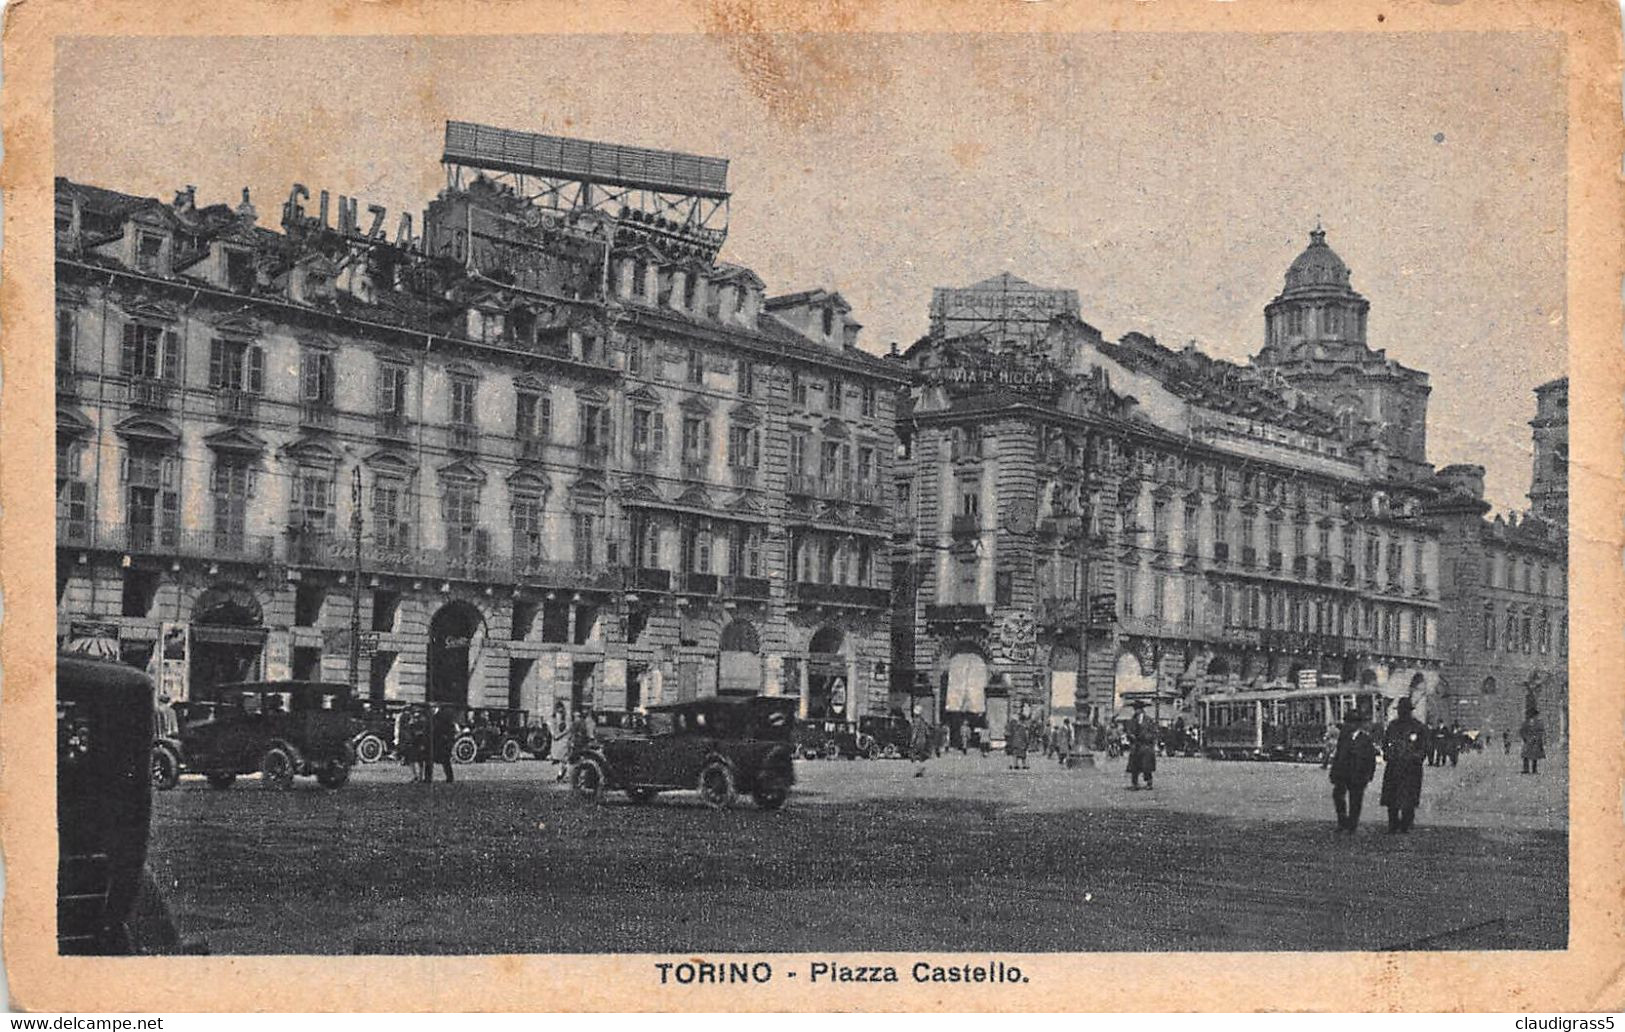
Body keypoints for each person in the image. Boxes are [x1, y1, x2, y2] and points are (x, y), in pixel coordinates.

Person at [1379, 698, 1427, 832]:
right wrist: (1388, 754)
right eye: (1400, 711)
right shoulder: (1392, 726)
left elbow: (1424, 747)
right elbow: (1386, 743)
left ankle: (1406, 823)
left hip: (1411, 768)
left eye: (1404, 711)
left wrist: (1416, 757)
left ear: (1409, 711)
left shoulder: (1418, 727)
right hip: (1394, 766)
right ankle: (1393, 824)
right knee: (1392, 798)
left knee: (1409, 798)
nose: (1402, 713)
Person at [1329, 707, 1377, 833]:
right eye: (1347, 722)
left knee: (1355, 800)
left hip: (1358, 775)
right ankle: (1342, 821)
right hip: (1343, 774)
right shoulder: (1343, 738)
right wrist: (1333, 773)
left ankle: (1352, 824)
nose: (1348, 725)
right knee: (1338, 797)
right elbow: (1338, 756)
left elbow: (1370, 759)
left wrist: (1369, 775)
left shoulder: (1365, 739)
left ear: (1357, 724)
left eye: (1351, 722)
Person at [1125, 702, 1158, 790]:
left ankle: (1149, 783)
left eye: (1138, 710)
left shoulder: (1148, 720)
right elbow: (1128, 731)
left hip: (1145, 746)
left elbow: (1154, 732)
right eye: (1135, 710)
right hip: (1135, 746)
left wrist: (1147, 737)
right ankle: (1134, 784)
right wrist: (1131, 735)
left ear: (1142, 710)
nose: (1137, 711)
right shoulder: (1132, 721)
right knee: (1134, 766)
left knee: (1146, 766)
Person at [424, 704, 457, 784]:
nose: (431, 709)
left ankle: (450, 778)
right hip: (432, 742)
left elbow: (450, 729)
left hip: (442, 743)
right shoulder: (430, 717)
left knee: (445, 761)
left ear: (437, 708)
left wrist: (448, 739)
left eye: (433, 707)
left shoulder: (443, 717)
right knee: (429, 761)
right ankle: (428, 778)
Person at [1520, 708, 1547, 774]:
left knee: (1530, 755)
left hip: (1532, 741)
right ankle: (1530, 770)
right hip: (1533, 741)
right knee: (1530, 756)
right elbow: (1522, 731)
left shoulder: (1528, 722)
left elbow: (1522, 731)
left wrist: (1525, 738)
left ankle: (1529, 770)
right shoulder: (1536, 722)